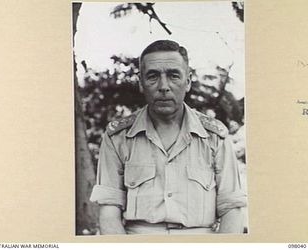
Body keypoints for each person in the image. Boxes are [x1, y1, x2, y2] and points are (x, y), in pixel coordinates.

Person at [90, 40, 247, 234]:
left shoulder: (215, 137)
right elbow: (108, 211)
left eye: (173, 75)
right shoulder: (118, 137)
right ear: (141, 83)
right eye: (153, 76)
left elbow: (232, 209)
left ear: (188, 81)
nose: (164, 86)